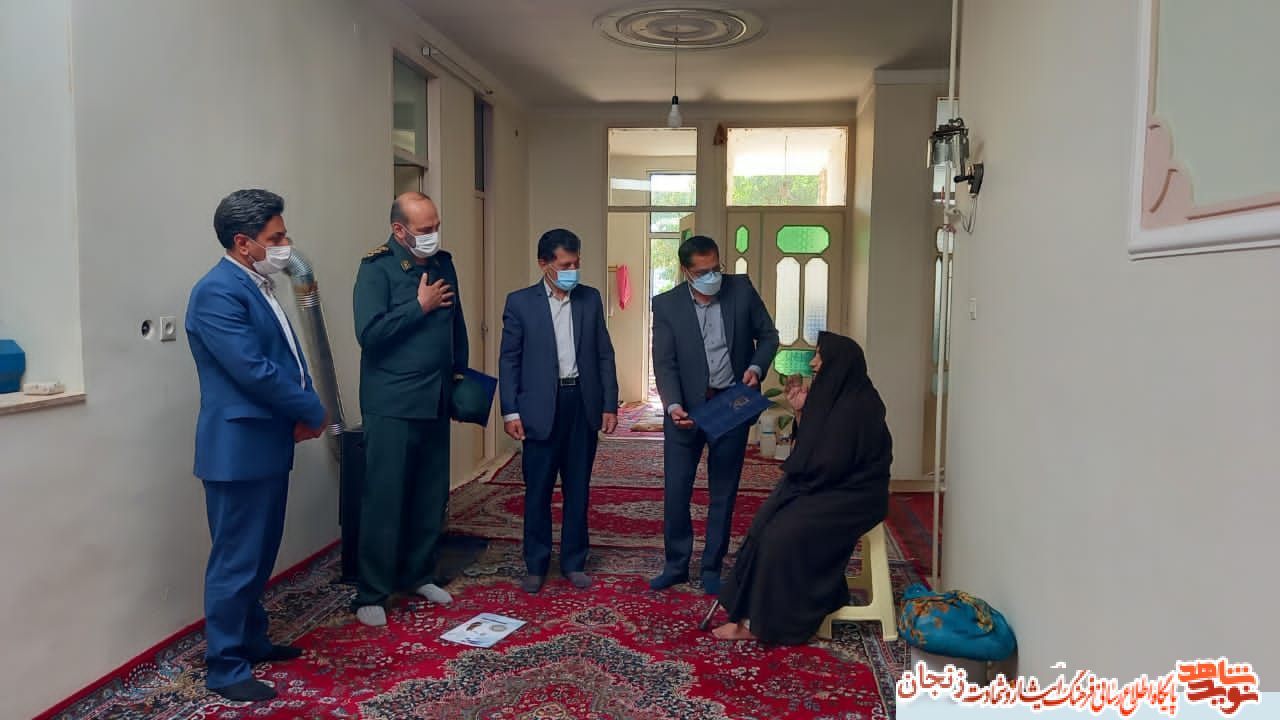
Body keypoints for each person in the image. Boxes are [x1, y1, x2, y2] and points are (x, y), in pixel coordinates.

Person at [186, 189, 327, 702]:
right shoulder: (217, 292)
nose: (286, 243)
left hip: (265, 443)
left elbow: (283, 358)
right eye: (276, 236)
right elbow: (253, 369)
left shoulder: (255, 284)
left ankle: (251, 639)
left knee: (260, 551)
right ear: (243, 243)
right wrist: (311, 409)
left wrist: (302, 405)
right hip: (238, 449)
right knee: (236, 560)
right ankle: (225, 667)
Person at [713, 332, 893, 643]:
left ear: (839, 363)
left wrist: (799, 487)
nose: (813, 362)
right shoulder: (833, 397)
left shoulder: (861, 406)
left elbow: (831, 463)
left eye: (820, 356)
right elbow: (810, 454)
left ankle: (771, 623)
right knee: (765, 521)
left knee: (782, 534)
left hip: (856, 496)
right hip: (826, 486)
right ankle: (745, 613)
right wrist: (800, 412)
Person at [351, 192, 467, 627]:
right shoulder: (376, 269)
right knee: (385, 497)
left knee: (431, 493)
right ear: (399, 230)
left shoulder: (443, 264)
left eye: (436, 226)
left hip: (435, 398)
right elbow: (370, 334)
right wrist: (418, 307)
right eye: (424, 229)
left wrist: (459, 378)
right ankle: (373, 591)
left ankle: (420, 574)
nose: (433, 235)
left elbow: (455, 326)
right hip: (392, 402)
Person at [650, 235, 780, 595]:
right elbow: (664, 362)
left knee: (723, 490)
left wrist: (756, 367)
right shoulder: (667, 305)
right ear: (685, 271)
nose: (712, 277)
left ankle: (711, 567)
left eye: (716, 269)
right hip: (686, 408)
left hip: (731, 403)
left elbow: (769, 336)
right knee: (677, 490)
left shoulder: (741, 291)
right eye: (702, 272)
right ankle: (676, 565)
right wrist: (672, 405)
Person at [499, 229, 619, 594]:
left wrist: (609, 404)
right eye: (565, 265)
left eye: (576, 263)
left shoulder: (590, 298)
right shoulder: (520, 303)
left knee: (577, 488)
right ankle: (536, 564)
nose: (573, 270)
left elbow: (604, 354)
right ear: (544, 264)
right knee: (537, 490)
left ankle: (573, 562)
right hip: (539, 409)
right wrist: (510, 411)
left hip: (581, 402)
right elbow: (509, 360)